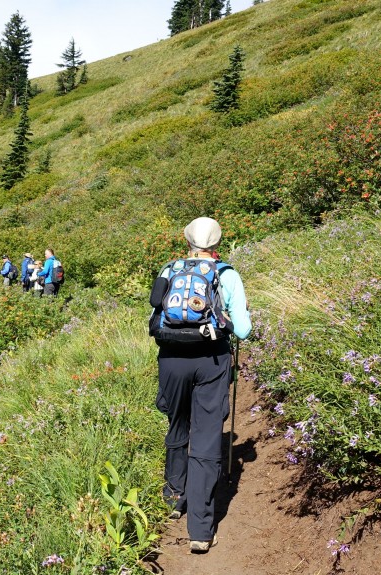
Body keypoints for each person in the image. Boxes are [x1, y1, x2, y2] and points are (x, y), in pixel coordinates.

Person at [149, 217, 251, 554]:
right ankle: (201, 530)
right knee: (206, 438)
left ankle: (174, 500)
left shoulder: (169, 268)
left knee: (178, 425)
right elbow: (243, 331)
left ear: (187, 241)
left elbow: (155, 311)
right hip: (211, 360)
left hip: (171, 358)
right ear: (217, 242)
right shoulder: (226, 274)